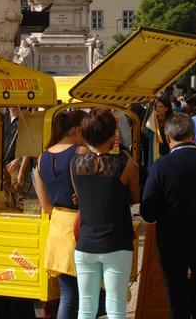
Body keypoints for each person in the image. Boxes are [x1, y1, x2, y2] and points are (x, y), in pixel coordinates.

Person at [141, 113, 196, 319]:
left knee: (176, 299)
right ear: (193, 135)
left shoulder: (161, 166)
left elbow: (148, 211)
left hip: (171, 242)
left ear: (168, 139)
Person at [71, 109, 140, 319]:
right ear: (113, 134)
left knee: (86, 307)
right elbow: (136, 197)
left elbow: (79, 197)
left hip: (85, 243)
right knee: (116, 307)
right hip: (116, 242)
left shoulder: (75, 164)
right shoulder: (125, 164)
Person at [34, 109, 86, 319]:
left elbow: (45, 206)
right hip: (78, 227)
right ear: (77, 130)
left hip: (57, 228)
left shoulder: (41, 158)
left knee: (68, 294)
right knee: (82, 295)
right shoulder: (80, 152)